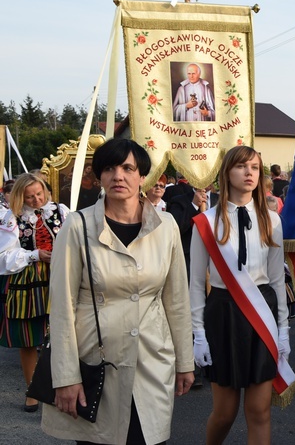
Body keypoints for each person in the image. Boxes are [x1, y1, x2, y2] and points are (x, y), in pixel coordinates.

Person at [42, 138, 194, 444]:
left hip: (152, 359)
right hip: (95, 363)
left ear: (142, 176)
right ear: (99, 177)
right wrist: (65, 376)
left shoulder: (166, 226)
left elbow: (176, 299)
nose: (118, 176)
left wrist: (185, 362)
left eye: (128, 168)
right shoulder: (77, 226)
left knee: (149, 437)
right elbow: (62, 307)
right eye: (109, 168)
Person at [189, 146, 292, 444]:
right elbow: (196, 283)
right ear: (227, 172)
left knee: (259, 410)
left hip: (262, 313)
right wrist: (198, 334)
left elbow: (276, 280)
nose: (249, 173)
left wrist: (284, 329)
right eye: (241, 166)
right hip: (223, 314)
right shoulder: (206, 222)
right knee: (225, 413)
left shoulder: (272, 220)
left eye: (255, 168)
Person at [0, 173, 69, 412]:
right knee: (28, 338)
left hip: (60, 276)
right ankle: (32, 390)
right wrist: (34, 254)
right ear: (20, 196)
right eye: (30, 196)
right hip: (28, 279)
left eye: (39, 194)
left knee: (63, 335)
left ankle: (62, 388)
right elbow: (3, 258)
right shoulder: (11, 219)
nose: (36, 199)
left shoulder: (61, 211)